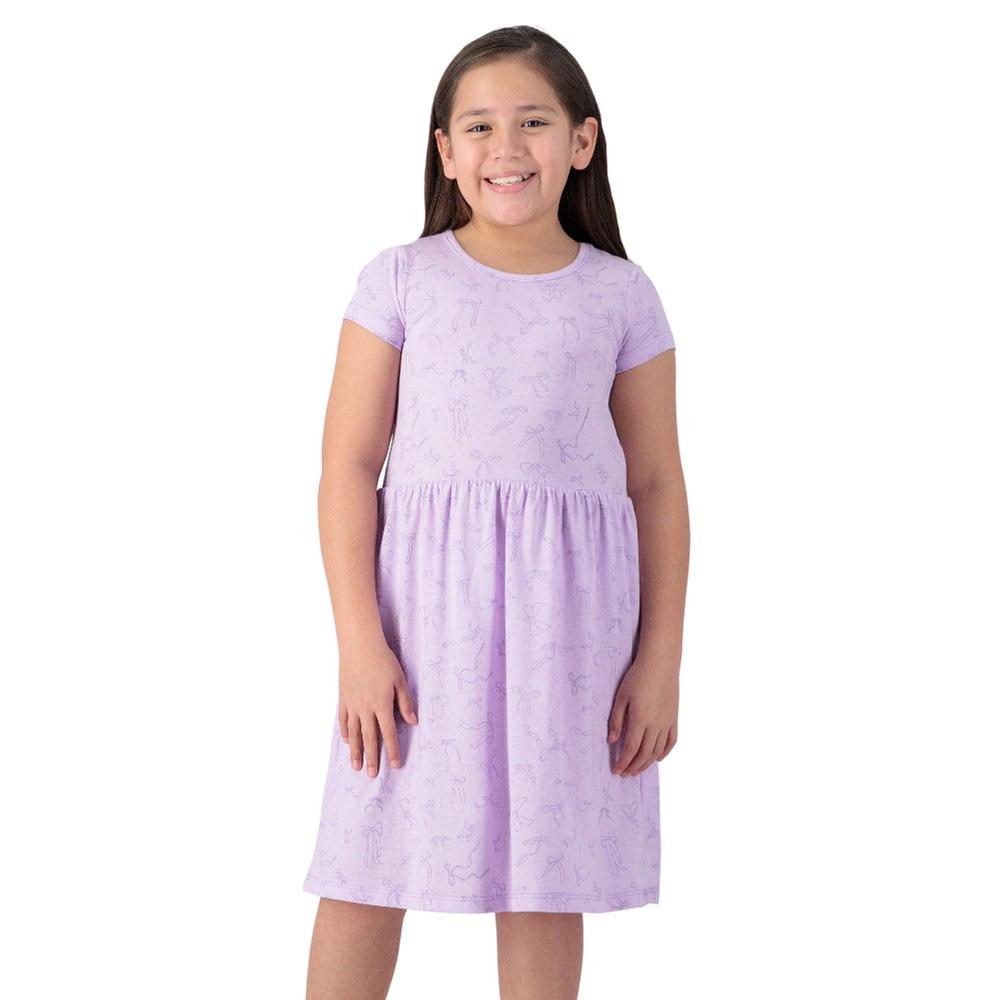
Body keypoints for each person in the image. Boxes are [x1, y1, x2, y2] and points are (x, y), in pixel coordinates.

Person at [302, 24, 689, 1000]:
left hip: (570, 638)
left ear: (582, 141)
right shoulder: (401, 278)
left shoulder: (621, 295)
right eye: (477, 126)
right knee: (368, 863)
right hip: (418, 634)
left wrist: (659, 661)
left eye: (533, 123)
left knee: (544, 881)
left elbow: (656, 484)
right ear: (444, 151)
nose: (505, 148)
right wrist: (359, 644)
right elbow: (348, 465)